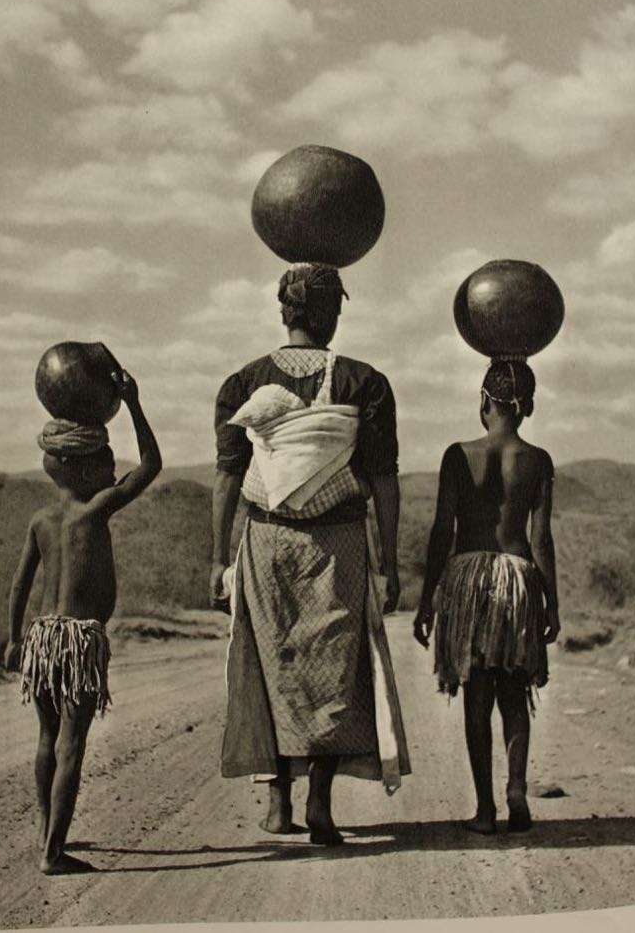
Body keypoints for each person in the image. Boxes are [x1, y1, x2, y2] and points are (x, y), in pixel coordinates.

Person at [212, 263, 410, 846]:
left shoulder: (241, 384)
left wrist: (215, 559)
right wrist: (388, 560)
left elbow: (227, 479)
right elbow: (384, 480)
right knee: (332, 668)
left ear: (285, 313)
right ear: (327, 315)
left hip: (263, 540)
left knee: (273, 661)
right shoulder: (364, 383)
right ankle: (319, 805)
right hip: (338, 541)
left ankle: (278, 804)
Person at [4, 369, 161, 875]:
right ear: (82, 468)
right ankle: (54, 853)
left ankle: (47, 833)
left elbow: (20, 584)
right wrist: (135, 404)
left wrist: (12, 640)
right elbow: (152, 465)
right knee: (73, 741)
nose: (114, 469)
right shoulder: (97, 510)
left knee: (47, 738)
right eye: (106, 461)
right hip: (78, 641)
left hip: (42, 637)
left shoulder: (40, 520)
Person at [414, 359, 559, 835]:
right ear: (528, 407)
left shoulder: (458, 455)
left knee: (477, 693)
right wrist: (550, 602)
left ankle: (484, 809)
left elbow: (442, 530)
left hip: (470, 579)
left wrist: (426, 599)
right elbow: (540, 540)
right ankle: (517, 791)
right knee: (514, 692)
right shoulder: (538, 460)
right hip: (518, 579)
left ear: (483, 400)